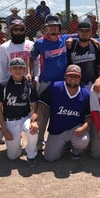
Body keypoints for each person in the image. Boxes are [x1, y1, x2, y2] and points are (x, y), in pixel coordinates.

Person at [30, 14, 75, 151]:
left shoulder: (65, 39)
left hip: (62, 84)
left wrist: (75, 39)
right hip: (45, 83)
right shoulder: (40, 42)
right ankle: (39, 142)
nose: (53, 29)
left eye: (55, 26)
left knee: (62, 112)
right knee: (42, 114)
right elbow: (31, 58)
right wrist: (28, 72)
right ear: (46, 28)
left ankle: (64, 141)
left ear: (59, 28)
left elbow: (82, 34)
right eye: (50, 27)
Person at [37, 65, 91, 161]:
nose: (73, 79)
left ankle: (76, 150)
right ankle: (65, 144)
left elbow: (88, 116)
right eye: (70, 76)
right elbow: (42, 102)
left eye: (76, 76)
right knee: (50, 158)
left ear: (80, 78)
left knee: (83, 140)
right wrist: (36, 115)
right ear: (65, 76)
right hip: (57, 130)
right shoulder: (55, 87)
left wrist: (83, 128)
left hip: (75, 130)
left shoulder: (86, 94)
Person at [0, 58, 39, 168]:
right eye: (15, 68)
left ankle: (31, 155)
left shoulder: (29, 85)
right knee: (12, 156)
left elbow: (34, 106)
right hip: (10, 121)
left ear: (24, 69)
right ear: (10, 69)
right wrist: (4, 129)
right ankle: (17, 145)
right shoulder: (3, 85)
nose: (18, 70)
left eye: (20, 68)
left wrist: (34, 121)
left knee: (32, 130)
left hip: (25, 118)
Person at [0, 19, 40, 85]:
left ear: (25, 31)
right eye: (15, 30)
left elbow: (37, 63)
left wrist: (36, 78)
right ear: (11, 31)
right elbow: (2, 67)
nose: (18, 32)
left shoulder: (32, 45)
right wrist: (2, 83)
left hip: (28, 82)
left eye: (21, 30)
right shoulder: (4, 47)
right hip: (11, 83)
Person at [67, 22, 100, 89]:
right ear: (78, 32)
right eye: (82, 31)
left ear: (90, 32)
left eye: (87, 31)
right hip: (74, 84)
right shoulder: (71, 45)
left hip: (92, 83)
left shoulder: (95, 46)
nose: (84, 33)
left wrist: (99, 81)